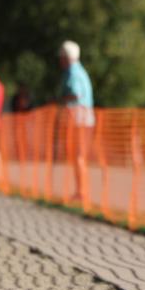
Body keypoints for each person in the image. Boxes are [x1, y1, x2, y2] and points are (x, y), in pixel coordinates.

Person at [59, 41, 95, 205]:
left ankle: (81, 192)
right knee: (79, 157)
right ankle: (81, 191)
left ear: (66, 57)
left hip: (79, 120)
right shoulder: (80, 71)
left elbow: (76, 94)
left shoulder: (72, 72)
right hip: (84, 119)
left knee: (79, 157)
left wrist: (60, 99)